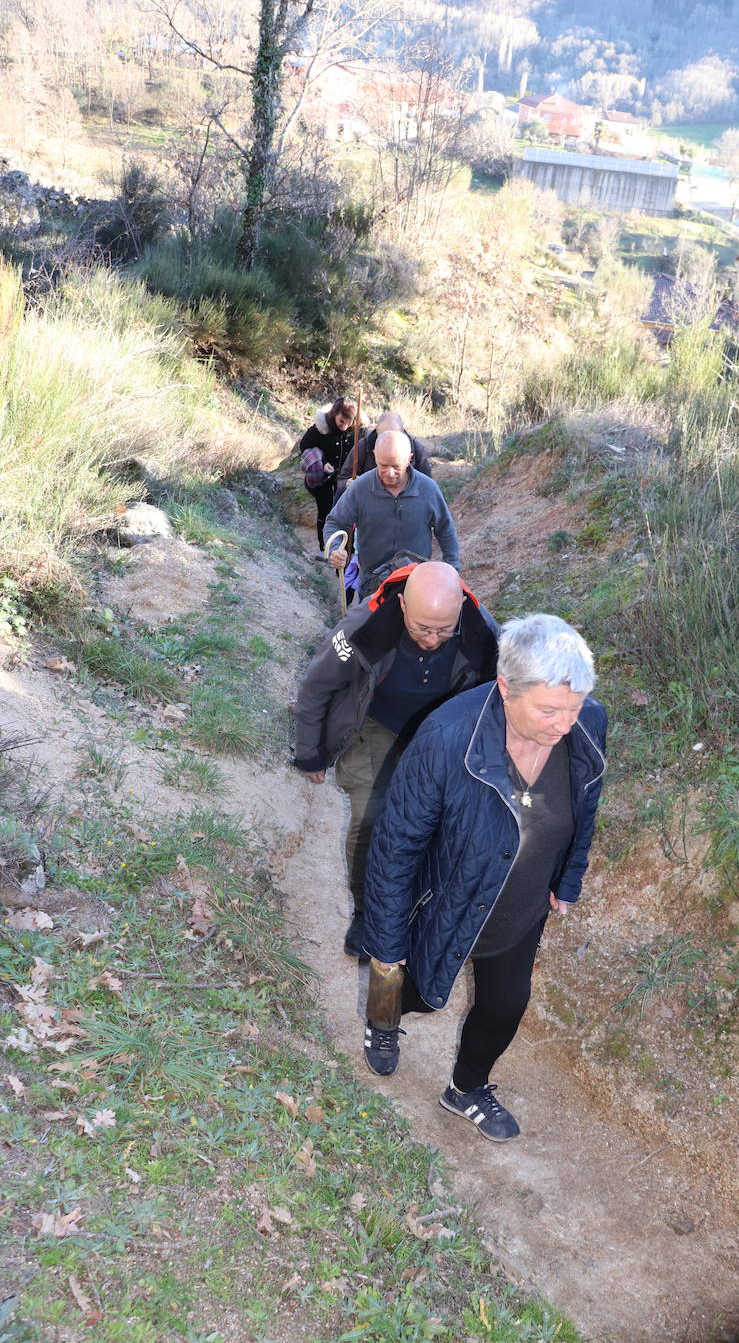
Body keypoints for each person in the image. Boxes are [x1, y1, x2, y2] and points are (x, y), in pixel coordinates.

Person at [361, 614, 607, 1143]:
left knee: (505, 1005)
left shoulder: (587, 723)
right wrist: (385, 942)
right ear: (504, 689)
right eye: (548, 709)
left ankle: (467, 1089)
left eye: (574, 706)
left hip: (518, 909)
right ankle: (380, 1024)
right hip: (446, 898)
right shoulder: (446, 737)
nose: (564, 724)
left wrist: (569, 877)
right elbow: (395, 844)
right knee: (417, 990)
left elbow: (585, 807)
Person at [291, 561, 499, 957]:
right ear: (403, 606)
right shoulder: (363, 628)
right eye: (422, 628)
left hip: (439, 731)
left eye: (443, 630)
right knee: (372, 816)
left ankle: (418, 905)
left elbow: (499, 697)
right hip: (374, 723)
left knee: (435, 822)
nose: (433, 639)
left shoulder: (481, 632)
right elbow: (316, 687)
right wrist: (310, 754)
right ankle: (369, 914)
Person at [322, 430, 460, 594]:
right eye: (383, 466)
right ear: (374, 456)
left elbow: (445, 529)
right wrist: (335, 549)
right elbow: (334, 523)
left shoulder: (428, 489)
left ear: (409, 459)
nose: (390, 473)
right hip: (372, 583)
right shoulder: (360, 488)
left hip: (415, 582)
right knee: (362, 620)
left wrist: (452, 570)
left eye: (396, 466)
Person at [297, 397, 357, 549]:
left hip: (345, 479)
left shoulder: (356, 432)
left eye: (349, 423)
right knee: (325, 509)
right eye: (342, 421)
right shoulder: (320, 428)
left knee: (346, 512)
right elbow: (304, 447)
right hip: (322, 479)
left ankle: (344, 548)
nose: (345, 426)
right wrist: (322, 464)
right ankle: (325, 547)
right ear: (334, 414)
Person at [337, 411, 433, 494]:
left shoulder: (416, 449)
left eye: (396, 466)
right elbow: (342, 479)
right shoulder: (362, 448)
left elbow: (428, 487)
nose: (390, 473)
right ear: (376, 432)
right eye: (383, 436)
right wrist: (348, 484)